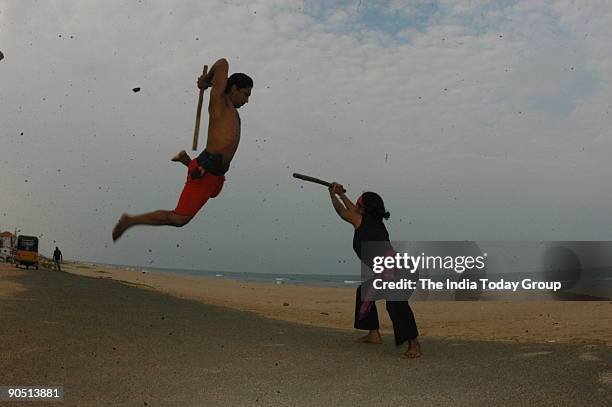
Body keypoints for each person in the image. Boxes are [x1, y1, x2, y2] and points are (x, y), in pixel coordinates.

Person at [112, 58, 252, 241]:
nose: (247, 100)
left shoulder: (233, 111)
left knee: (213, 194)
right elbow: (223, 63)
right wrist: (206, 79)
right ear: (233, 88)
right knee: (179, 219)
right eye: (245, 94)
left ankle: (187, 161)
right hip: (206, 170)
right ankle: (129, 220)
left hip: (217, 174)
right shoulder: (219, 101)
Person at [328, 183, 422, 358]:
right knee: (364, 292)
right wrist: (340, 193)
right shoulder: (372, 221)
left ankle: (414, 344)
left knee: (395, 303)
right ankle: (373, 334)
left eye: (358, 202)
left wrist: (333, 195)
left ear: (363, 208)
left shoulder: (362, 221)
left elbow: (343, 211)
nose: (354, 205)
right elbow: (353, 208)